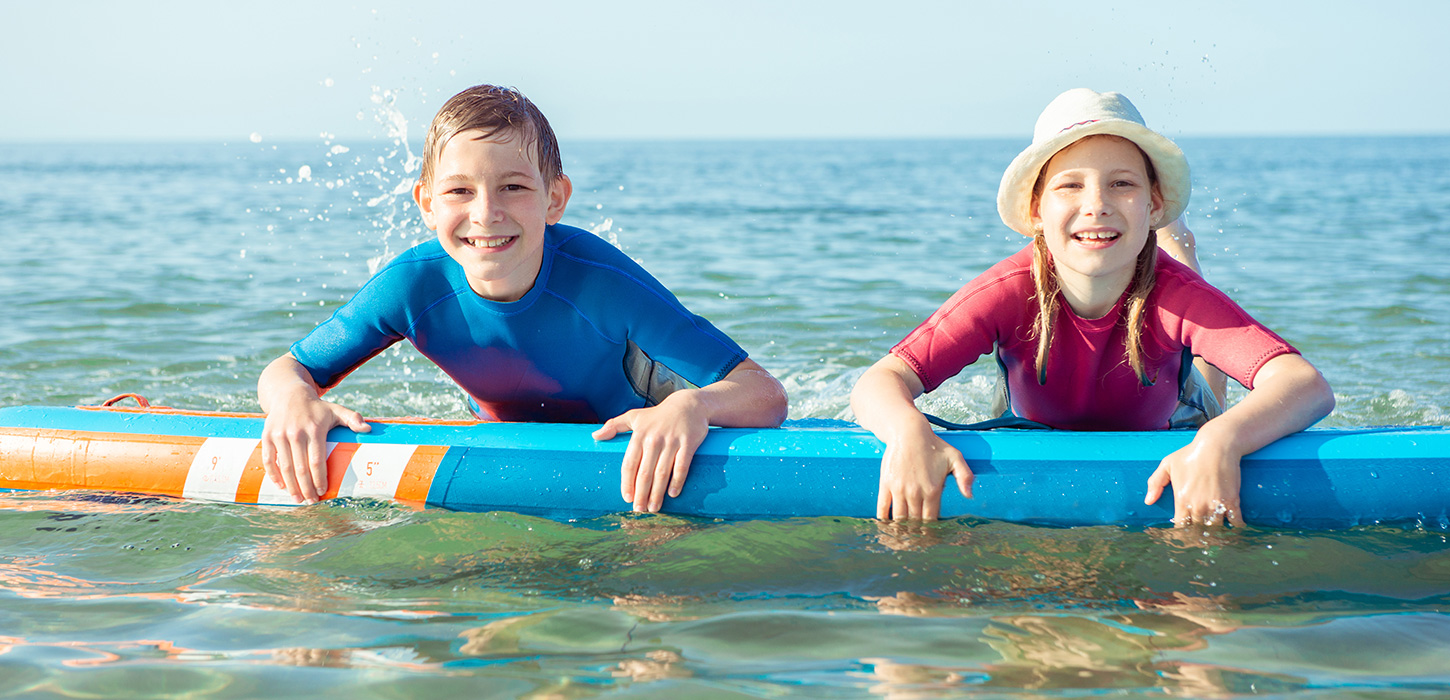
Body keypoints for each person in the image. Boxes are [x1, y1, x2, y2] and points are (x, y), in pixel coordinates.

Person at [259, 84, 787, 511]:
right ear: (425, 202)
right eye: (459, 190)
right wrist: (294, 402)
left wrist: (692, 405)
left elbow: (762, 394)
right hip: (504, 446)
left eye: (513, 187)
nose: (486, 213)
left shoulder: (601, 283)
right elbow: (289, 367)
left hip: (630, 447)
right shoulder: (413, 286)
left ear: (554, 198)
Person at [850, 88, 1334, 526]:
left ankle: (1176, 243)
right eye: (1070, 185)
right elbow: (879, 382)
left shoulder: (1175, 295)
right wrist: (907, 430)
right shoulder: (1006, 292)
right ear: (1037, 210)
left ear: (1154, 202)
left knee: (1209, 384)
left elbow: (1305, 385)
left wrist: (1220, 442)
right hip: (1029, 415)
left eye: (1122, 184)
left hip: (1173, 410)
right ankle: (1169, 240)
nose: (1097, 204)